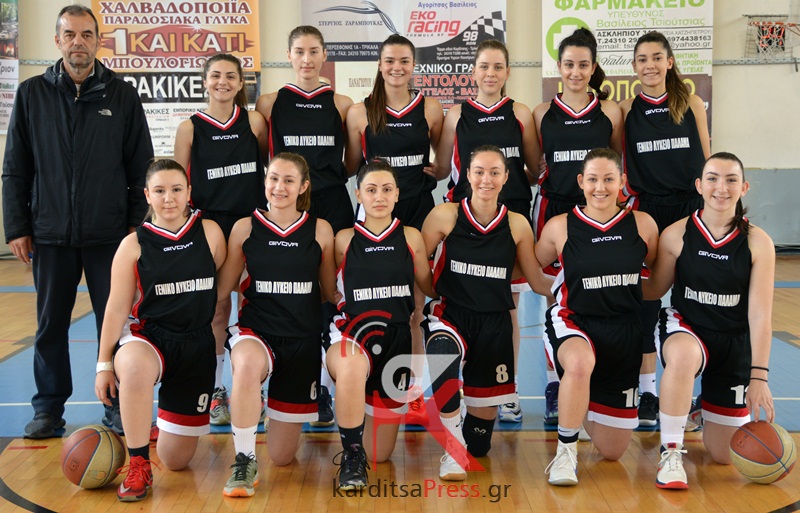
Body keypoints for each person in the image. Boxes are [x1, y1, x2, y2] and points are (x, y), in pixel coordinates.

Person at [2, 4, 154, 439]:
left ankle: (117, 405)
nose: (78, 43)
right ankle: (48, 409)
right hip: (50, 234)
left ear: (98, 40)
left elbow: (140, 168)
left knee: (116, 321)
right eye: (69, 35)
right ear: (57, 40)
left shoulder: (122, 95)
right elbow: (15, 169)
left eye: (86, 35)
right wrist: (17, 227)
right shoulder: (31, 94)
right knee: (50, 324)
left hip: (110, 236)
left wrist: (134, 227)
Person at [94, 159, 226, 502]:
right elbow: (116, 308)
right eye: (160, 190)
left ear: (189, 192)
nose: (169, 198)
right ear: (147, 195)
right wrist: (104, 364)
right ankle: (138, 462)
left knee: (176, 460)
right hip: (149, 338)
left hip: (195, 344)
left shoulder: (210, 233)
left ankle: (155, 427)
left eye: (177, 189)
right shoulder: (133, 245)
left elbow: (220, 286)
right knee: (134, 368)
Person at [643, 152, 775, 489]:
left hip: (733, 341)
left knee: (723, 454)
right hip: (687, 328)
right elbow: (655, 289)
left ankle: (699, 408)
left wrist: (758, 377)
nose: (722, 187)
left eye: (731, 180)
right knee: (683, 356)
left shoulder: (758, 242)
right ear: (699, 185)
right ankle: (671, 451)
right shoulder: (676, 234)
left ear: (744, 187)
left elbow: (760, 315)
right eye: (713, 178)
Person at [421, 146, 552, 481]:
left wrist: (580, 292)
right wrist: (428, 296)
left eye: (495, 172)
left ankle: (465, 426)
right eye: (479, 171)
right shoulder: (444, 216)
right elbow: (417, 264)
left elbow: (536, 280)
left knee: (479, 446)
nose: (486, 179)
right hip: (451, 314)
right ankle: (453, 447)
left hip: (494, 325)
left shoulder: (517, 224)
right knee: (441, 351)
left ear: (506, 177)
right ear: (467, 174)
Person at [216, 153, 338, 497]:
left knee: (283, 457)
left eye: (288, 180)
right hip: (256, 332)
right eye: (273, 178)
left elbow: (329, 290)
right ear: (265, 181)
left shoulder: (321, 230)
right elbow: (223, 288)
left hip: (301, 342)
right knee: (246, 364)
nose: (279, 187)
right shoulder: (245, 228)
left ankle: (269, 410)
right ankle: (243, 459)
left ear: (303, 186)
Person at [534, 148, 658, 486]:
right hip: (574, 321)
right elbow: (531, 264)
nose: (600, 187)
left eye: (608, 179)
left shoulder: (643, 225)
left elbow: (658, 279)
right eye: (592, 179)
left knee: (613, 450)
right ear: (581, 181)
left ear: (622, 181)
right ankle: (565, 452)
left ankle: (579, 397)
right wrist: (552, 288)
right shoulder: (560, 226)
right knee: (578, 362)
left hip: (623, 332)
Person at [434, 39, 542, 424]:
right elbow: (442, 166)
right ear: (473, 72)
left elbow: (534, 168)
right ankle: (459, 390)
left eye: (498, 67)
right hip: (466, 224)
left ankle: (506, 388)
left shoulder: (521, 113)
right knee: (461, 303)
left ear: (508, 72)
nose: (491, 74)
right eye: (484, 66)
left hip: (510, 219)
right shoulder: (456, 114)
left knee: (506, 305)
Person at [256, 26, 354, 426]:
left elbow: (352, 160)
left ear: (325, 55)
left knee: (329, 295)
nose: (307, 59)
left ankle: (325, 389)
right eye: (300, 51)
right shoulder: (269, 102)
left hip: (331, 202)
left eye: (314, 51)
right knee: (286, 294)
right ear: (289, 55)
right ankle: (272, 382)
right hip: (286, 204)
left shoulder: (342, 104)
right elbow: (263, 156)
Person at [344, 34, 444, 426]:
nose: (397, 67)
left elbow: (442, 164)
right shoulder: (359, 112)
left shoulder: (431, 108)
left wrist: (432, 173)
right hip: (374, 216)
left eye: (404, 61)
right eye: (390, 60)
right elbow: (353, 166)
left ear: (413, 65)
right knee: (368, 303)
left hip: (417, 211)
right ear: (380, 64)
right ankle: (360, 383)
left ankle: (412, 389)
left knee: (415, 308)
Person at [619, 31, 711, 427]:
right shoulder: (626, 110)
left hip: (690, 210)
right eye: (642, 59)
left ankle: (700, 394)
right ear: (634, 66)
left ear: (669, 62)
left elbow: (707, 159)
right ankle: (647, 393)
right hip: (648, 212)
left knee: (697, 301)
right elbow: (612, 158)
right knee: (645, 303)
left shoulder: (690, 103)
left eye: (657, 57)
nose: (650, 65)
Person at [325, 159, 435, 489]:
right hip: (353, 335)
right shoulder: (343, 239)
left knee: (381, 454)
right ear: (358, 194)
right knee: (351, 366)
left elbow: (430, 286)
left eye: (387, 189)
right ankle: (351, 455)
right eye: (371, 190)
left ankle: (363, 428)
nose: (379, 197)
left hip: (395, 343)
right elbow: (328, 289)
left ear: (397, 194)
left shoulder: (411, 237)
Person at [532, 27, 623, 427]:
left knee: (597, 294)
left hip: (600, 213)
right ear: (558, 66)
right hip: (555, 210)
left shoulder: (611, 112)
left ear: (593, 67)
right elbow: (535, 165)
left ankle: (594, 379)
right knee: (554, 297)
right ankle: (556, 383)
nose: (575, 72)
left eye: (583, 65)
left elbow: (617, 162)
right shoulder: (541, 113)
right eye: (569, 64)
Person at [174, 53, 268, 426]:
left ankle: (254, 387)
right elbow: (179, 183)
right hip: (210, 226)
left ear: (241, 82)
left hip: (251, 225)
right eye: (215, 75)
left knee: (254, 306)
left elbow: (269, 167)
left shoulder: (254, 122)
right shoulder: (190, 128)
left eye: (231, 76)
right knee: (215, 309)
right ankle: (215, 390)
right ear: (205, 81)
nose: (223, 82)